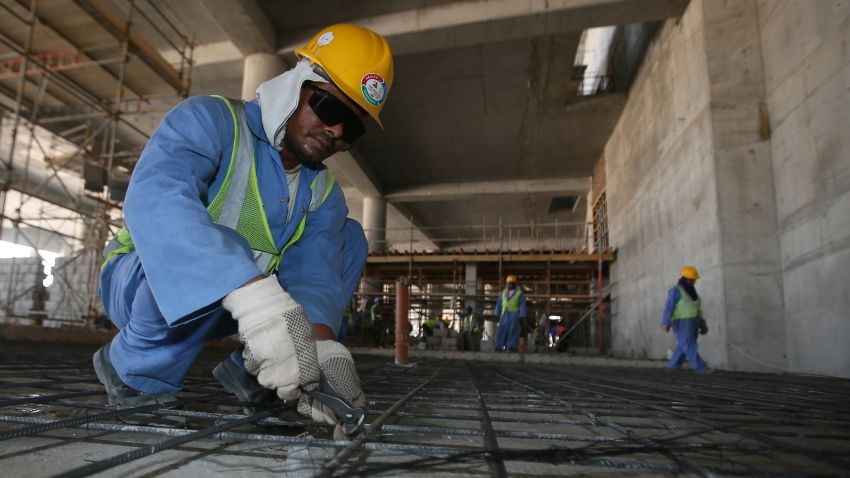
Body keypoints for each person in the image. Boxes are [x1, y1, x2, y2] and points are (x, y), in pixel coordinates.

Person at [93, 24, 394, 427]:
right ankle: (136, 370)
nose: (337, 131)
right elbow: (156, 198)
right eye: (330, 108)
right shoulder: (210, 120)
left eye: (352, 128)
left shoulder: (323, 189)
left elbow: (315, 274)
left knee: (350, 238)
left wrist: (322, 350)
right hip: (144, 284)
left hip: (241, 308)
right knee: (220, 242)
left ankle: (263, 376)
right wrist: (254, 298)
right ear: (295, 84)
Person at [661, 266, 711, 373]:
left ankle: (673, 366)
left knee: (684, 345)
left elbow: (697, 309)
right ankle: (701, 368)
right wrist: (665, 323)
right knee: (689, 344)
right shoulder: (675, 291)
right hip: (682, 323)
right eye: (693, 280)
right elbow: (669, 307)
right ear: (686, 279)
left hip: (694, 322)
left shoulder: (692, 291)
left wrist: (703, 324)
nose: (695, 282)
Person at [495, 274, 526, 352]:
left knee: (513, 330)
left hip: (514, 314)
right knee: (501, 330)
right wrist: (497, 313)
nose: (510, 285)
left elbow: (522, 304)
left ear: (515, 284)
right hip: (504, 314)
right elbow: (499, 303)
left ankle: (512, 347)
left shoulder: (519, 293)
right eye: (509, 283)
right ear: (506, 284)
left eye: (512, 283)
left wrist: (522, 315)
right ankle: (499, 346)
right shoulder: (503, 293)